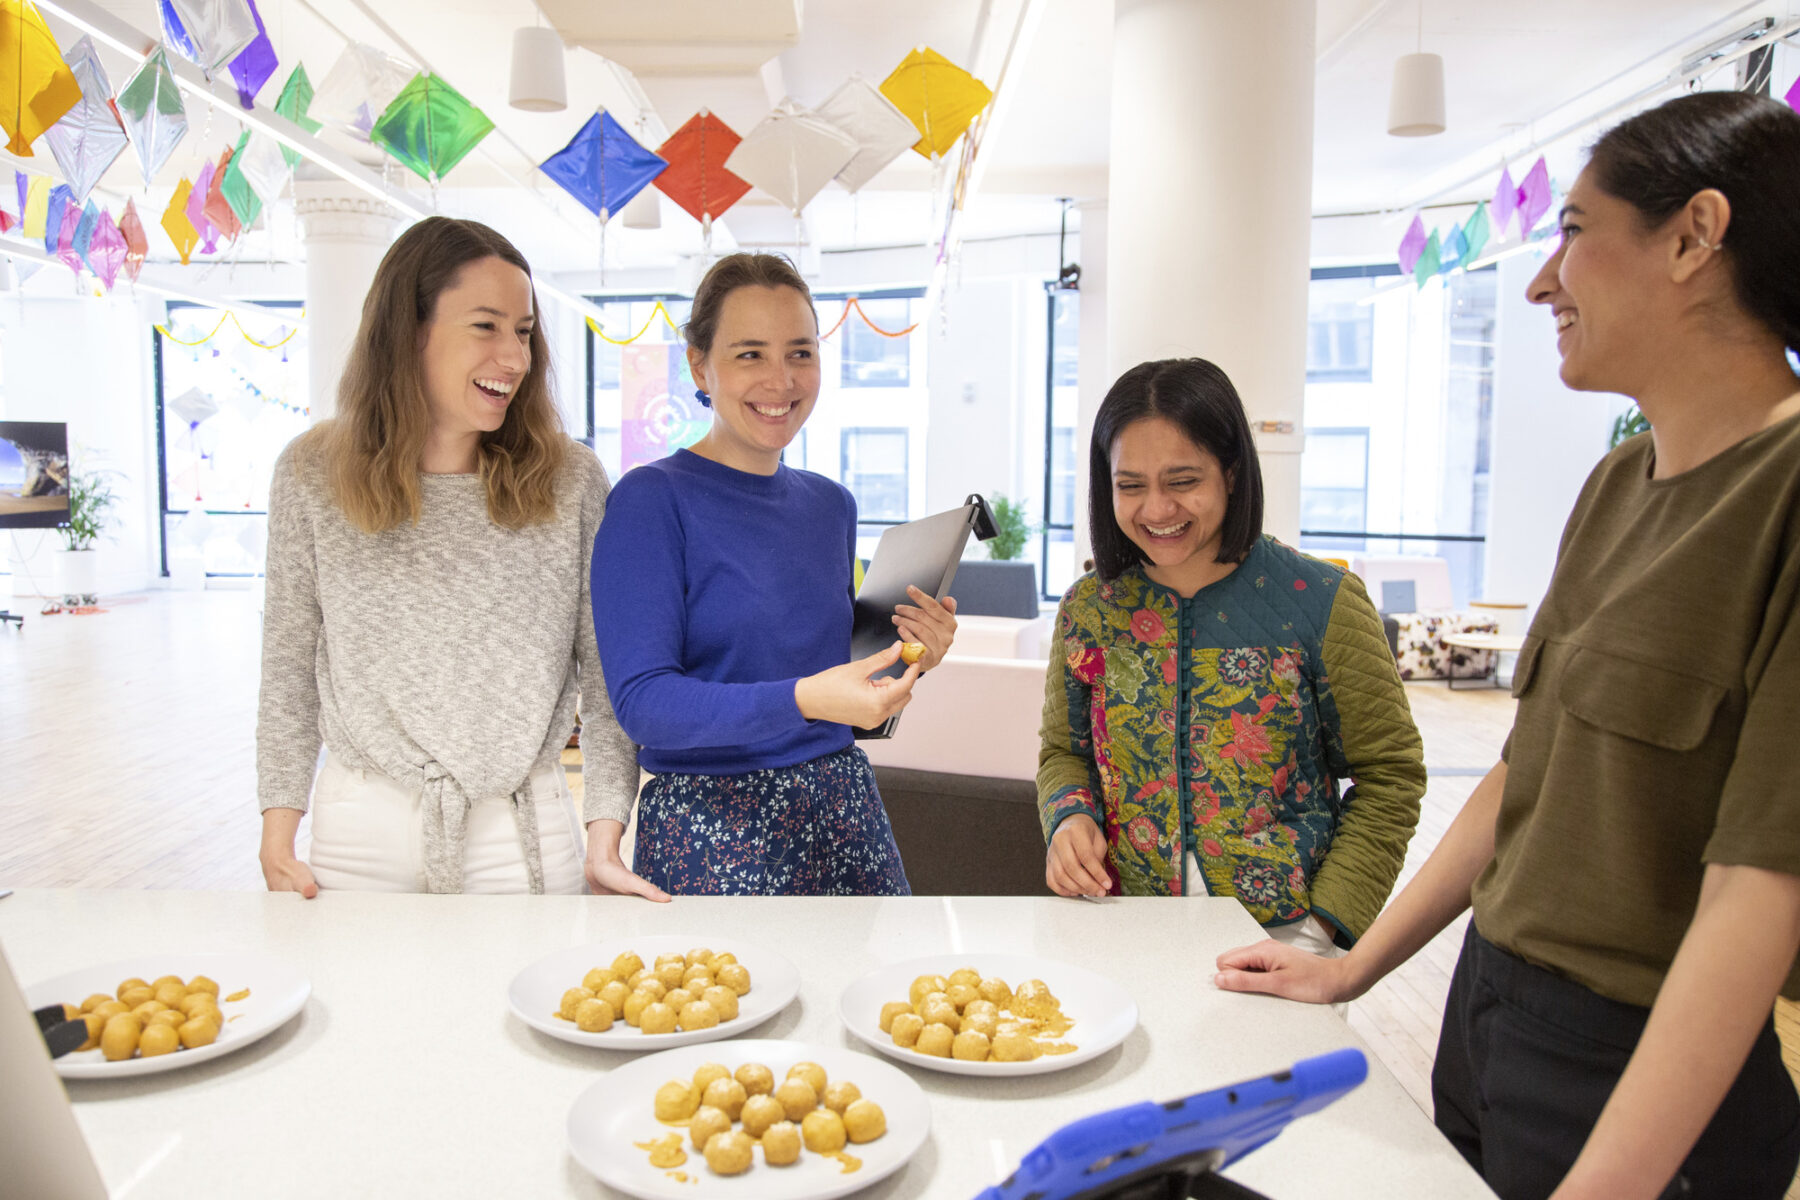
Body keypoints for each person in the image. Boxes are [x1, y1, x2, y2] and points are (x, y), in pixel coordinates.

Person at [1214, 91, 1800, 1200]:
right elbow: (1524, 777)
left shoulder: (1783, 499)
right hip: (1492, 1015)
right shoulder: (1620, 484)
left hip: (1642, 1068)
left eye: (1573, 233)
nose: (1541, 281)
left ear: (1695, 235)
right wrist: (1352, 971)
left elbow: (1759, 899)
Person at [256, 217, 640, 897]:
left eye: (523, 332)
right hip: (360, 828)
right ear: (409, 331)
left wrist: (605, 830)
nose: (515, 359)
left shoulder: (571, 481)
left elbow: (606, 681)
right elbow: (288, 664)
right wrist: (277, 832)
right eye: (485, 326)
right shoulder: (311, 473)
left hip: (521, 826)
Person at [590, 252, 958, 896]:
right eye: (750, 354)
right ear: (699, 365)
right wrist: (805, 698)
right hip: (710, 822)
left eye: (800, 352)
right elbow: (645, 706)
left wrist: (915, 654)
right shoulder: (650, 500)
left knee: (878, 995)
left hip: (845, 806)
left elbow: (854, 704)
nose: (781, 379)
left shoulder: (831, 506)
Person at [1038, 357, 1425, 957]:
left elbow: (1390, 776)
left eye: (1183, 481)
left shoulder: (1321, 602)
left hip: (1286, 933)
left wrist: (1323, 929)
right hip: (1120, 924)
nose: (1156, 510)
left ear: (1233, 474)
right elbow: (1066, 752)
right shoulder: (1089, 608)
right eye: (1130, 484)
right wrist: (1068, 818)